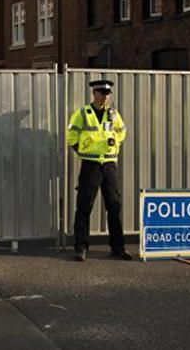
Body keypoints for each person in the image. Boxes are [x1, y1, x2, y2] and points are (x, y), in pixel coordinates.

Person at [66, 80, 133, 262]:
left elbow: (122, 131)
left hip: (110, 164)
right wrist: (82, 149)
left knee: (114, 206)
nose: (105, 97)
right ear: (94, 93)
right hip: (91, 164)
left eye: (108, 94)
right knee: (84, 207)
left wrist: (115, 144)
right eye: (102, 93)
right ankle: (81, 248)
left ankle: (118, 248)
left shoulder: (114, 113)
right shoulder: (83, 113)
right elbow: (71, 134)